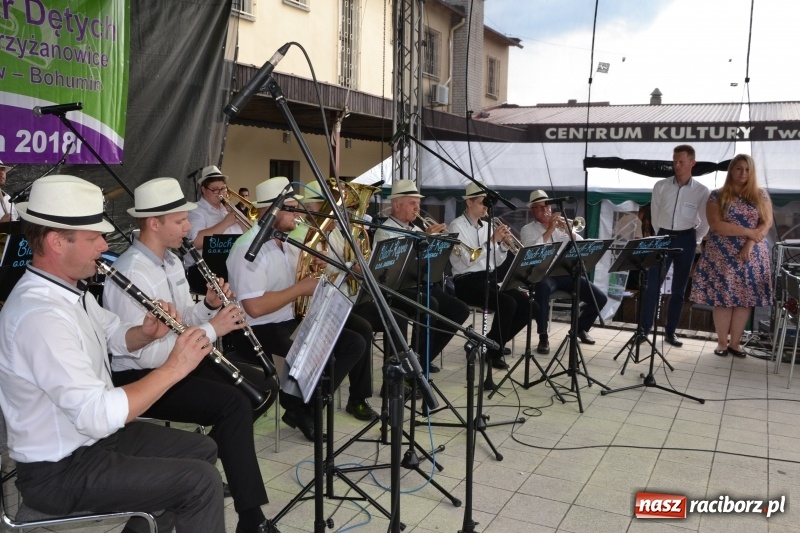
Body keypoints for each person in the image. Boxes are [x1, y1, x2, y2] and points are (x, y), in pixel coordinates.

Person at [0, 175, 225, 533]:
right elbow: (96, 414)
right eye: (94, 238)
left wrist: (145, 332)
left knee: (202, 449)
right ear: (57, 241)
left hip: (93, 443)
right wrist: (174, 367)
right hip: (59, 471)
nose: (104, 246)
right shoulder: (39, 316)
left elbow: (113, 334)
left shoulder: (73, 292)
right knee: (200, 482)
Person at [102, 177, 280, 533]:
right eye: (181, 221)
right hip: (143, 378)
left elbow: (182, 322)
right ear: (154, 223)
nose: (189, 227)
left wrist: (209, 307)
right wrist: (214, 328)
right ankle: (252, 516)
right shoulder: (131, 272)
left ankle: (207, 454)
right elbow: (147, 354)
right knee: (234, 404)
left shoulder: (169, 261)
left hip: (178, 362)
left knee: (263, 384)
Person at [226, 177, 375, 440]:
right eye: (291, 208)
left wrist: (316, 267)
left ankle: (303, 406)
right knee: (324, 355)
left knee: (356, 341)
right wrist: (299, 288)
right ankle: (302, 408)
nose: (298, 214)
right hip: (258, 328)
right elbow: (255, 307)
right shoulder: (246, 248)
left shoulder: (289, 240)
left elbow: (301, 282)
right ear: (270, 210)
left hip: (292, 317)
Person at [375, 180, 470, 372]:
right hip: (396, 289)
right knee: (430, 305)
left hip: (419, 284)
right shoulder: (384, 231)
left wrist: (439, 246)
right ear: (396, 205)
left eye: (418, 203)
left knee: (459, 310)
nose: (417, 208)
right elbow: (396, 267)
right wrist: (426, 240)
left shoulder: (416, 229)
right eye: (412, 203)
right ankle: (414, 368)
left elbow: (430, 264)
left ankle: (422, 360)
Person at [690, 155, 773, 357]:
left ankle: (735, 343)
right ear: (731, 170)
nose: (742, 173)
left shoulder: (760, 195)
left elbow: (766, 223)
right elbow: (717, 225)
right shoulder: (716, 196)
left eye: (746, 169)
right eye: (738, 168)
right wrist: (748, 232)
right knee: (723, 300)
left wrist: (750, 242)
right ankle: (721, 343)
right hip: (722, 256)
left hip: (751, 256)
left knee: (744, 301)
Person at [447, 182, 529, 368]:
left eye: (488, 204)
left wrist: (502, 246)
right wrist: (492, 241)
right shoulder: (456, 226)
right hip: (466, 282)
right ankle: (493, 352)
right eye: (483, 202)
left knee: (529, 305)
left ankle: (487, 342)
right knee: (507, 303)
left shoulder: (487, 226)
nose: (486, 207)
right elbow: (468, 259)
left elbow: (496, 262)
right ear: (469, 202)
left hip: (489, 279)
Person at [519, 190, 607, 353]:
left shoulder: (562, 226)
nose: (545, 210)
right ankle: (543, 336)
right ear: (532, 211)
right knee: (542, 288)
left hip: (566, 273)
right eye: (540, 208)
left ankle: (579, 329)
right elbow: (533, 250)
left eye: (547, 207)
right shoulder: (527, 229)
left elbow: (580, 244)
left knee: (600, 298)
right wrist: (550, 230)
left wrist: (568, 230)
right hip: (544, 275)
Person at [640, 144, 710, 347]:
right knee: (652, 286)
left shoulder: (701, 191)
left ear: (692, 163)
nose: (677, 165)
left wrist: (693, 239)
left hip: (687, 238)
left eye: (681, 161)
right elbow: (655, 214)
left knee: (679, 289)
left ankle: (670, 332)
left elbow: (705, 221)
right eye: (674, 161)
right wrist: (662, 234)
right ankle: (644, 329)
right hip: (663, 236)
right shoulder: (661, 186)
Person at [185, 165, 246, 293]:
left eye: (223, 189)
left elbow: (251, 236)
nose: (221, 193)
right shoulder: (196, 210)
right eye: (215, 190)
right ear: (203, 189)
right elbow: (196, 241)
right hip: (204, 271)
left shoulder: (227, 210)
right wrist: (225, 223)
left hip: (233, 267)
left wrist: (240, 218)